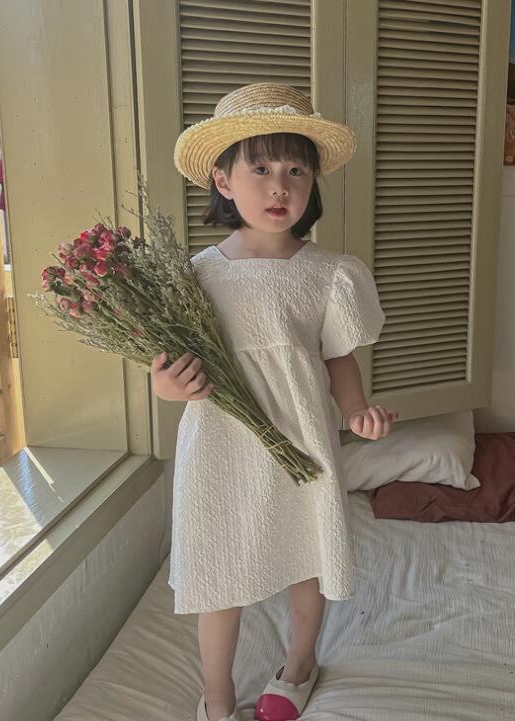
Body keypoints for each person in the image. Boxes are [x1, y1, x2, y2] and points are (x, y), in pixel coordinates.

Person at [151, 82, 398, 721]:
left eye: (296, 171)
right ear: (223, 180)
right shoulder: (194, 276)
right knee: (218, 568)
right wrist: (168, 385)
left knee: (305, 556)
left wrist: (356, 411)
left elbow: (338, 357)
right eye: (259, 169)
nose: (279, 186)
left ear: (313, 182)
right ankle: (216, 695)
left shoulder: (330, 273)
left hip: (301, 440)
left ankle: (299, 663)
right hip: (220, 445)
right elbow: (169, 364)